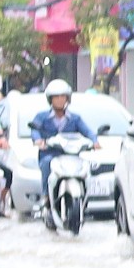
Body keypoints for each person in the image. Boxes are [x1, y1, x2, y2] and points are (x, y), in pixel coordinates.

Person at [29, 78, 99, 214]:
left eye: (63, 96)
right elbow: (35, 130)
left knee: (84, 166)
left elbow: (87, 131)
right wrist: (38, 140)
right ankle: (45, 196)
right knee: (46, 164)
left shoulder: (75, 118)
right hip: (50, 154)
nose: (60, 100)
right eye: (56, 97)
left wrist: (94, 141)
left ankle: (83, 196)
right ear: (50, 99)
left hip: (71, 155)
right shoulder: (42, 117)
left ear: (68, 98)